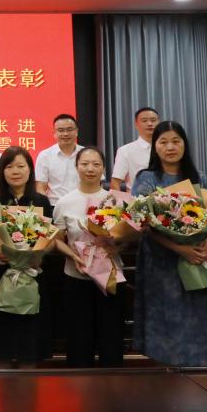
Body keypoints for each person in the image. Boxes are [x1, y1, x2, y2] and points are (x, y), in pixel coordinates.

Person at [132, 120, 207, 366]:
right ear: (155, 147)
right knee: (168, 317)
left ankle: (201, 368)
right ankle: (169, 370)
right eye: (163, 142)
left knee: (201, 313)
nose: (170, 147)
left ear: (184, 144)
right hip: (162, 264)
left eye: (176, 141)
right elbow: (144, 224)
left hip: (199, 259)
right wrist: (180, 248)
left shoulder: (199, 177)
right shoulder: (146, 179)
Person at [0, 145, 53, 368]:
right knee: (2, 340)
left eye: (21, 166)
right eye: (9, 167)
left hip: (32, 275)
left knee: (29, 342)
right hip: (0, 276)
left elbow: (51, 238)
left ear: (30, 170)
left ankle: (27, 382)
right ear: (2, 171)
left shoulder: (41, 201)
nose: (15, 171)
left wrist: (40, 253)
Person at [52, 147, 125, 367]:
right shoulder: (64, 202)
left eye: (96, 164)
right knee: (78, 338)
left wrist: (119, 246)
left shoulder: (115, 201)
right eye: (84, 164)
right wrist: (72, 255)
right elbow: (56, 240)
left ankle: (112, 383)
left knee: (111, 337)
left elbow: (128, 236)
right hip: (77, 276)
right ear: (76, 167)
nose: (90, 169)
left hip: (110, 276)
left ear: (103, 168)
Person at [36, 114, 90, 206]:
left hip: (83, 206)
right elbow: (40, 187)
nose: (65, 134)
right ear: (54, 133)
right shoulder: (45, 156)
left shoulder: (88, 154)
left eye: (69, 129)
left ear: (76, 131)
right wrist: (46, 208)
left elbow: (97, 183)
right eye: (61, 130)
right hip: (55, 206)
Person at [110, 107, 160, 192]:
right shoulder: (125, 150)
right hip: (137, 199)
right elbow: (115, 182)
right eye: (144, 120)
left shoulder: (167, 149)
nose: (150, 124)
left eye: (153, 120)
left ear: (159, 123)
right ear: (136, 124)